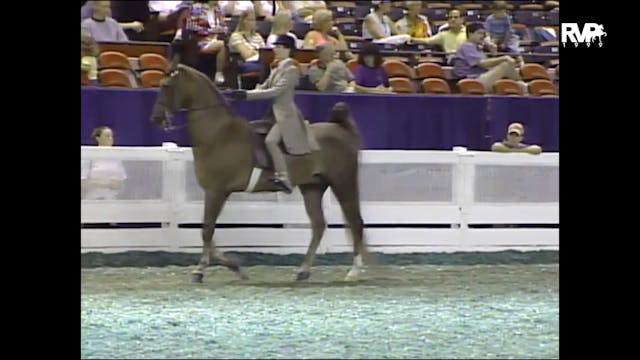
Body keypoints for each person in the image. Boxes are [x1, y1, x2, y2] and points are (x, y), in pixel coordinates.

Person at [226, 35, 312, 192]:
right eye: (276, 46)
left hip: (285, 116)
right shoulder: (277, 69)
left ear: (288, 50)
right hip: (273, 114)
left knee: (271, 141)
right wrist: (242, 92)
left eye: (279, 47)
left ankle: (283, 176)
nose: (275, 49)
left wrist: (248, 96)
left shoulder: (292, 70)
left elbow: (275, 92)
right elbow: (263, 87)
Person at [81, 126, 128, 200]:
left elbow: (122, 182)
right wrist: (106, 184)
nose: (110, 138)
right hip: (93, 199)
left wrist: (117, 185)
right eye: (107, 136)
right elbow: (82, 183)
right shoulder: (89, 156)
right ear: (98, 138)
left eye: (111, 136)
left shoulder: (116, 157)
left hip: (112, 200)